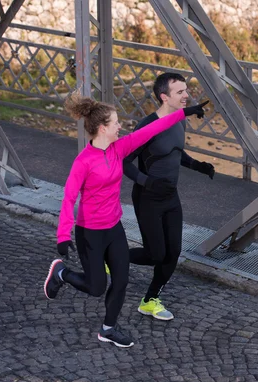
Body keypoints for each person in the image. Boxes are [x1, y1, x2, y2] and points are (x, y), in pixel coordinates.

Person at [43, 91, 207, 348]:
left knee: (121, 281)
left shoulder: (119, 149)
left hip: (114, 229)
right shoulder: (83, 162)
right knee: (96, 287)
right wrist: (63, 235)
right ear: (101, 128)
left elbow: (153, 128)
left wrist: (184, 112)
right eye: (116, 123)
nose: (121, 126)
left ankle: (108, 329)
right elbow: (68, 199)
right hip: (90, 233)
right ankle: (61, 273)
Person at [123, 72, 215, 321]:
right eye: (180, 92)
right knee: (155, 254)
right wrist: (147, 182)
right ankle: (112, 257)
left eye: (187, 90)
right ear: (164, 97)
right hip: (147, 197)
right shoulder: (148, 125)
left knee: (172, 252)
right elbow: (124, 160)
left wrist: (199, 165)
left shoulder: (179, 121)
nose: (187, 96)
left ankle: (150, 300)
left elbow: (175, 153)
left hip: (170, 197)